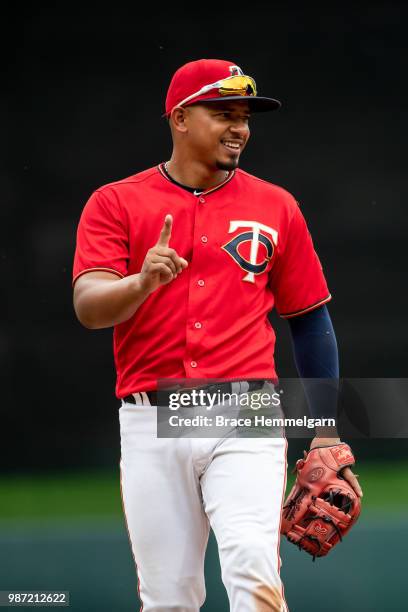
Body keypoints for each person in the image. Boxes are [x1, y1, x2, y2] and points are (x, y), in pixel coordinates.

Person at [72, 59, 363, 612]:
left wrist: (325, 430)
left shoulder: (275, 205)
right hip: (151, 417)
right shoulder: (116, 202)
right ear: (180, 118)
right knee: (168, 598)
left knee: (253, 571)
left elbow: (309, 320)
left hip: (244, 413)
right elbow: (89, 307)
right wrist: (140, 282)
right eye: (222, 113)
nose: (240, 128)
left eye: (246, 117)